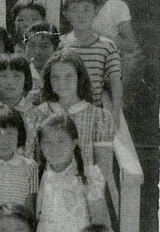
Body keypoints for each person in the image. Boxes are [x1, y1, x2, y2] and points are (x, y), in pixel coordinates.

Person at [35, 113, 108, 232]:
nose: (54, 148)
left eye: (61, 141)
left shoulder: (88, 176)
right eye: (47, 142)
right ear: (40, 146)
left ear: (74, 143)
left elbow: (100, 220)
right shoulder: (39, 175)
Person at [37, 50, 116, 180]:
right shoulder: (38, 114)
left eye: (69, 76)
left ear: (79, 77)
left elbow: (102, 168)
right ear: (48, 80)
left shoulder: (98, 117)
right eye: (55, 77)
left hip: (83, 192)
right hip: (48, 190)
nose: (62, 82)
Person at [60, 0, 123, 125]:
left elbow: (115, 81)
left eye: (86, 9)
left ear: (95, 12)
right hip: (65, 112)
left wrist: (115, 112)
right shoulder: (61, 44)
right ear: (66, 15)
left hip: (94, 111)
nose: (80, 15)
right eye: (74, 9)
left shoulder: (107, 46)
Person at [0, 54, 40, 158]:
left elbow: (38, 153)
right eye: (3, 76)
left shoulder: (37, 114)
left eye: (17, 76)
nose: (10, 82)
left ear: (26, 79)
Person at [23, 21, 59, 103]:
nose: (37, 52)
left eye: (44, 46)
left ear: (56, 48)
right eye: (31, 46)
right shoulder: (19, 74)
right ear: (24, 47)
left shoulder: (64, 75)